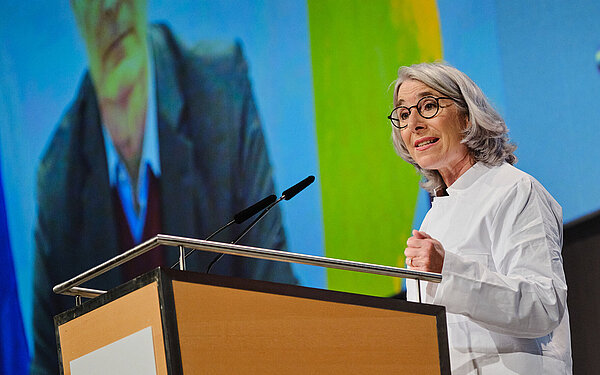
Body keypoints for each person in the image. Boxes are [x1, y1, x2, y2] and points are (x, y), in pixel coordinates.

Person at [31, 1, 297, 373]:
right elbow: (50, 362)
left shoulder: (220, 91)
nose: (110, 6)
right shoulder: (58, 177)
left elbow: (277, 297)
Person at [388, 62, 571, 374]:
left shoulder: (513, 190)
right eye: (403, 115)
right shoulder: (432, 221)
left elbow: (542, 306)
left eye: (428, 106)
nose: (413, 123)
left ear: (467, 116)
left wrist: (449, 270)